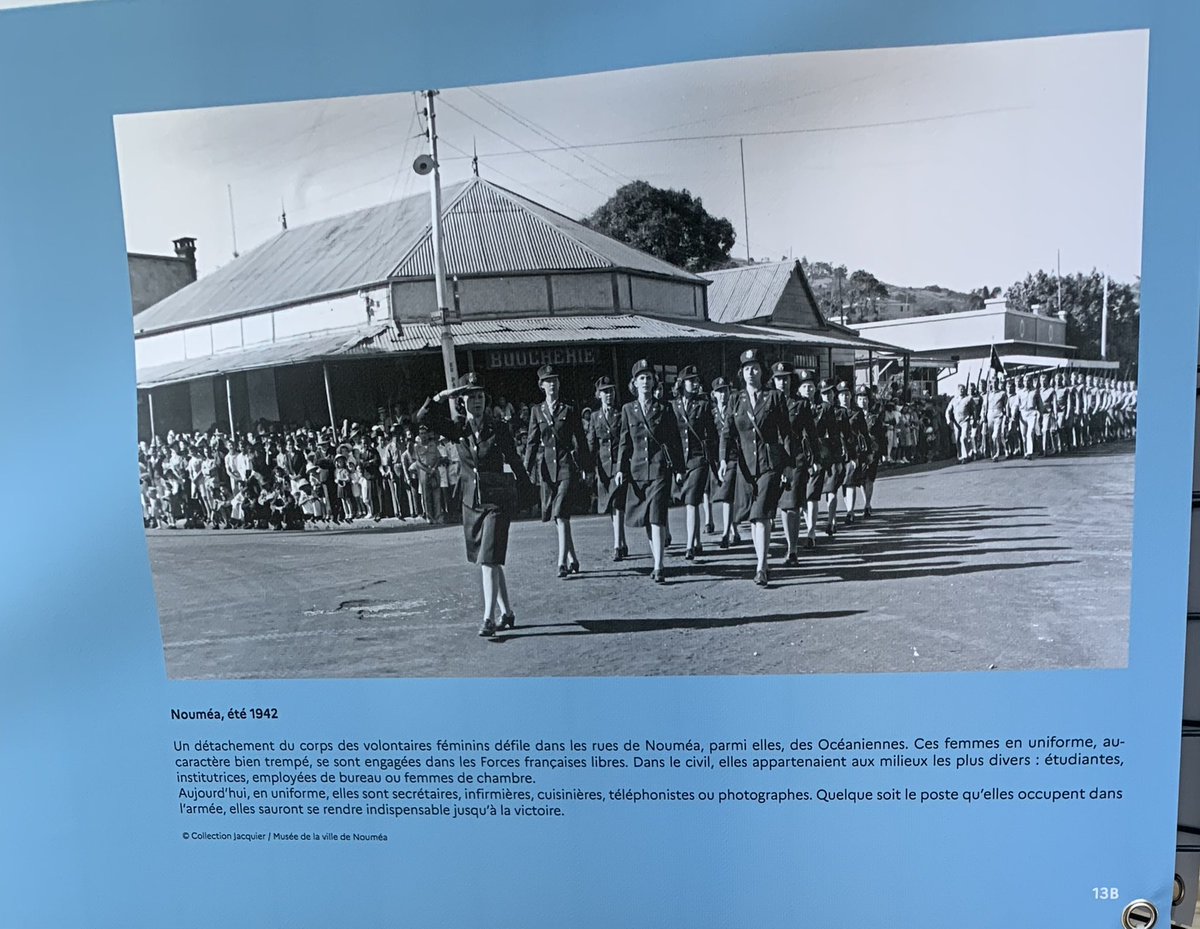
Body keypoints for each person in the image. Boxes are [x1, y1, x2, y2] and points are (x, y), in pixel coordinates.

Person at [418, 373, 530, 638]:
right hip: (471, 501)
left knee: (489, 558)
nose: (477, 401)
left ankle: (489, 618)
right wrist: (441, 396)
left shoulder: (498, 428)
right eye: (471, 397)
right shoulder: (458, 428)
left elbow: (514, 459)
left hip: (496, 500)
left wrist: (527, 488)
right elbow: (422, 419)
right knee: (489, 561)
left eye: (480, 396)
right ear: (462, 401)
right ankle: (508, 612)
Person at [722, 349, 790, 586]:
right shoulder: (735, 399)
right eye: (747, 368)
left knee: (760, 514)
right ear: (741, 373)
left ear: (762, 371)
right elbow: (727, 433)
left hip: (769, 464)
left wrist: (788, 467)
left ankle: (761, 565)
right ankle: (763, 559)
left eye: (756, 368)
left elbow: (786, 434)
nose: (751, 372)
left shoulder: (774, 397)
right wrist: (723, 460)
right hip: (745, 467)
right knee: (754, 518)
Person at [615, 359, 685, 583]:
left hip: (659, 470)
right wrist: (620, 469)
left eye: (648, 378)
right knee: (647, 519)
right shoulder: (628, 410)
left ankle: (659, 565)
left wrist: (679, 469)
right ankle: (657, 558)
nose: (645, 382)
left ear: (654, 381)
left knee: (656, 516)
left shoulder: (664, 408)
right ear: (634, 383)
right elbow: (624, 443)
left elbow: (674, 441)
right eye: (641, 378)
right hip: (637, 472)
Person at [524, 364, 589, 578]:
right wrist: (525, 470)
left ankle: (561, 563)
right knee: (558, 516)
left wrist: (586, 467)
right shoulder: (536, 411)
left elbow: (580, 440)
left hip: (566, 466)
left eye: (555, 380)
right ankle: (572, 557)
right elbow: (532, 443)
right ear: (541, 385)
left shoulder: (569, 410)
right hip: (546, 469)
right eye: (547, 381)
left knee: (561, 512)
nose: (552, 384)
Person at [672, 364, 717, 560]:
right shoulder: (673, 405)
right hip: (680, 460)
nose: (695, 384)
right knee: (692, 502)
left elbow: (712, 432)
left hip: (699, 459)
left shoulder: (703, 404)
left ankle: (689, 545)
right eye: (691, 380)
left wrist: (712, 456)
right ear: (682, 383)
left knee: (692, 501)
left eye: (697, 380)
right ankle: (697, 540)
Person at [770, 362, 813, 565]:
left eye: (786, 378)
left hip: (795, 458)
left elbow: (810, 434)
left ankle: (792, 548)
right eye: (778, 378)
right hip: (772, 458)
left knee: (791, 505)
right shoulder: (766, 401)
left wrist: (815, 460)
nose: (782, 382)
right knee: (781, 505)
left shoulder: (801, 404)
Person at [586, 375, 628, 561]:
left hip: (620, 466)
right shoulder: (595, 417)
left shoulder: (622, 414)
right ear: (598, 395)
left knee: (618, 503)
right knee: (611, 505)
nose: (608, 395)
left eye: (611, 391)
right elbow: (591, 443)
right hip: (603, 468)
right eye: (604, 392)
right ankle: (622, 540)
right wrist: (587, 466)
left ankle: (617, 544)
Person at [709, 377, 742, 549]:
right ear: (714, 394)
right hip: (718, 457)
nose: (723, 394)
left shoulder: (736, 408)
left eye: (726, 390)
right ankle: (732, 530)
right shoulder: (712, 412)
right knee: (727, 495)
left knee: (729, 494)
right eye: (719, 391)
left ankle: (727, 531)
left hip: (735, 455)